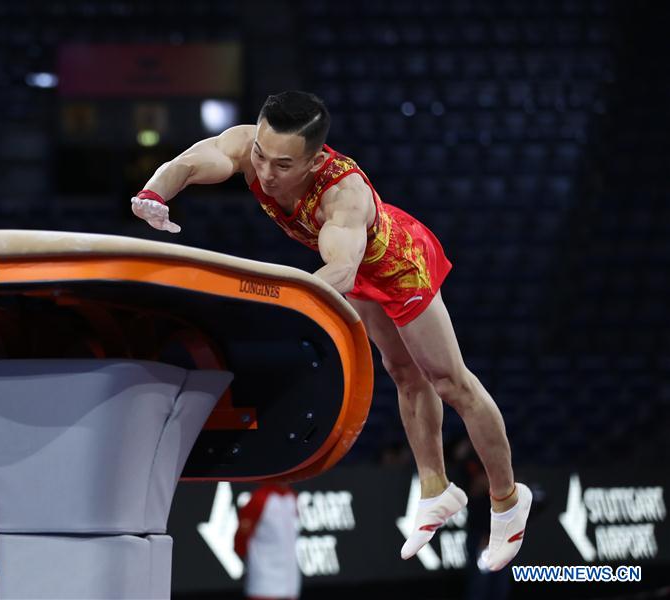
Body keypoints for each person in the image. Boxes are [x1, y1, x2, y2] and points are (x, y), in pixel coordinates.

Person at [131, 91, 532, 571]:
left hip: (399, 266)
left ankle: (508, 501)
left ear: (315, 160)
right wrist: (153, 194)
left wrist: (278, 304)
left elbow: (341, 270)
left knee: (451, 383)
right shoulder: (249, 147)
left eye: (283, 165)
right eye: (260, 155)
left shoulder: (343, 194)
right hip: (361, 273)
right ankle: (436, 489)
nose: (266, 173)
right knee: (403, 374)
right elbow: (192, 161)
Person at [234, 484, 301, 600]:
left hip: (290, 581)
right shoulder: (260, 498)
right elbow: (242, 536)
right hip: (264, 581)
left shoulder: (292, 497)